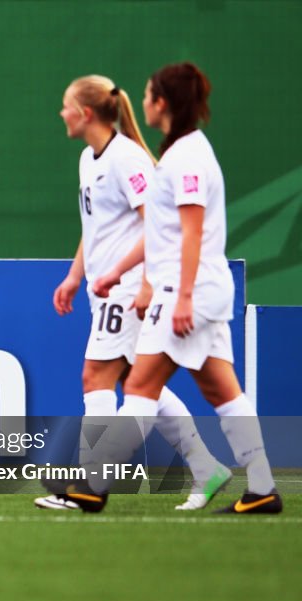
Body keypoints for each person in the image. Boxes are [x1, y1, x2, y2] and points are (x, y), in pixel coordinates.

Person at [82, 63, 281, 514]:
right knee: (223, 393)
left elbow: (192, 233)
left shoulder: (187, 156)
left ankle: (91, 485)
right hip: (196, 289)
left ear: (162, 103)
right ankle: (263, 488)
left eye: (150, 94)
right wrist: (117, 272)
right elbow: (162, 234)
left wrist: (184, 296)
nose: (145, 101)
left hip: (185, 290)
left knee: (140, 387)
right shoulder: (179, 153)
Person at [35, 75, 230, 512]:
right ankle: (206, 467)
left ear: (85, 113)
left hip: (128, 290)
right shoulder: (90, 158)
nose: (61, 113)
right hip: (103, 290)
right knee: (139, 384)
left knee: (96, 376)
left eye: (65, 106)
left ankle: (87, 484)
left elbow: (157, 223)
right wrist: (73, 276)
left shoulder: (128, 159)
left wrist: (145, 284)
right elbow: (96, 229)